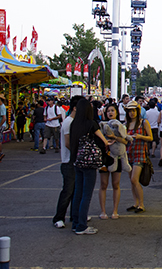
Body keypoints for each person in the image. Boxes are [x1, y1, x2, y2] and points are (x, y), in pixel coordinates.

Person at [70, 98, 109, 235]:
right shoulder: (91, 124)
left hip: (77, 161)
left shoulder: (74, 124)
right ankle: (82, 225)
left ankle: (75, 223)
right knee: (87, 194)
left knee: (78, 193)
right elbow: (104, 141)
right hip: (89, 163)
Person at [53, 96, 78, 229]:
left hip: (73, 161)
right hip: (68, 161)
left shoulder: (73, 121)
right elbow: (68, 143)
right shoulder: (68, 122)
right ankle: (59, 217)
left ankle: (74, 216)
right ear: (75, 108)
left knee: (74, 190)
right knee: (68, 191)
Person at [98, 103, 127, 220]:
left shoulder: (121, 126)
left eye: (112, 111)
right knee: (103, 184)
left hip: (118, 157)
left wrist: (114, 137)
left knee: (116, 184)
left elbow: (126, 141)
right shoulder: (101, 126)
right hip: (104, 157)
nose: (110, 113)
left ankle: (115, 210)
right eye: (108, 111)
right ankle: (103, 211)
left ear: (116, 112)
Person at [124, 101, 152, 213]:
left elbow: (150, 138)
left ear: (137, 111)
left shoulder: (143, 122)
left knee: (134, 179)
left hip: (140, 154)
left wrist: (140, 136)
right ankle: (136, 203)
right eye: (129, 111)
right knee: (132, 181)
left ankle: (141, 204)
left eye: (133, 110)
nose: (132, 113)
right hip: (129, 153)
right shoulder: (126, 124)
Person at [0, 94, 7, 162]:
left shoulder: (2, 107)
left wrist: (0, 125)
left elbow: (4, 118)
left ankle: (0, 154)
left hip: (1, 125)